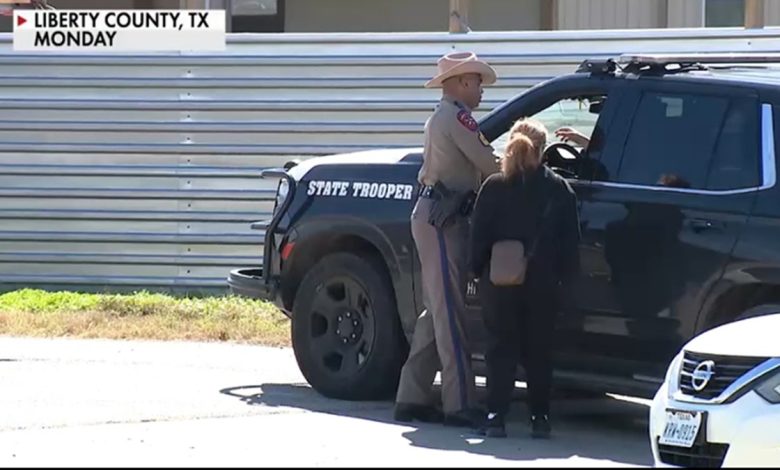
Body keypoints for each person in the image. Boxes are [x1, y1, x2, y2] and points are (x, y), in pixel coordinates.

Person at [393, 51, 501, 427]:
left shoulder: (445, 116)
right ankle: (460, 404)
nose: (481, 90)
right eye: (476, 82)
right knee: (451, 311)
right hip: (443, 219)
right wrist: (522, 163)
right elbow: (489, 164)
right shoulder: (457, 117)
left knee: (436, 310)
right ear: (460, 83)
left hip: (436, 216)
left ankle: (412, 395)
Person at [468, 118, 581, 439]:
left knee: (500, 348)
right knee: (539, 351)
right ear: (543, 150)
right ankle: (540, 418)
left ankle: (495, 417)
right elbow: (570, 243)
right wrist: (566, 282)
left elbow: (478, 236)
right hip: (542, 284)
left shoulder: (493, 186)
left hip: (500, 283)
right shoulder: (559, 189)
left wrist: (476, 273)